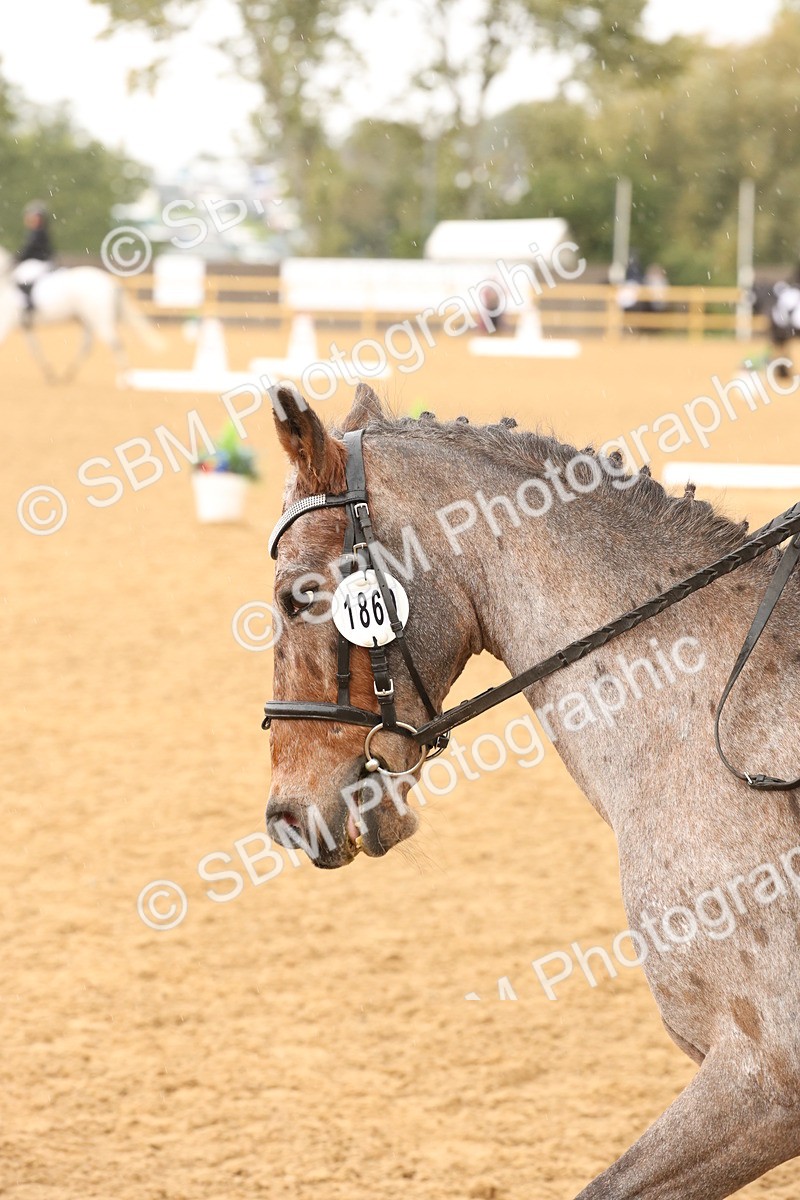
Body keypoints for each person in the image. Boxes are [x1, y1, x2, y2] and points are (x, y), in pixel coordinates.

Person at [13, 200, 56, 323]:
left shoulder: (38, 232)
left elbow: (28, 250)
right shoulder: (34, 232)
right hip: (36, 262)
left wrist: (17, 258)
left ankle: (29, 304)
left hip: (39, 262)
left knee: (22, 277)